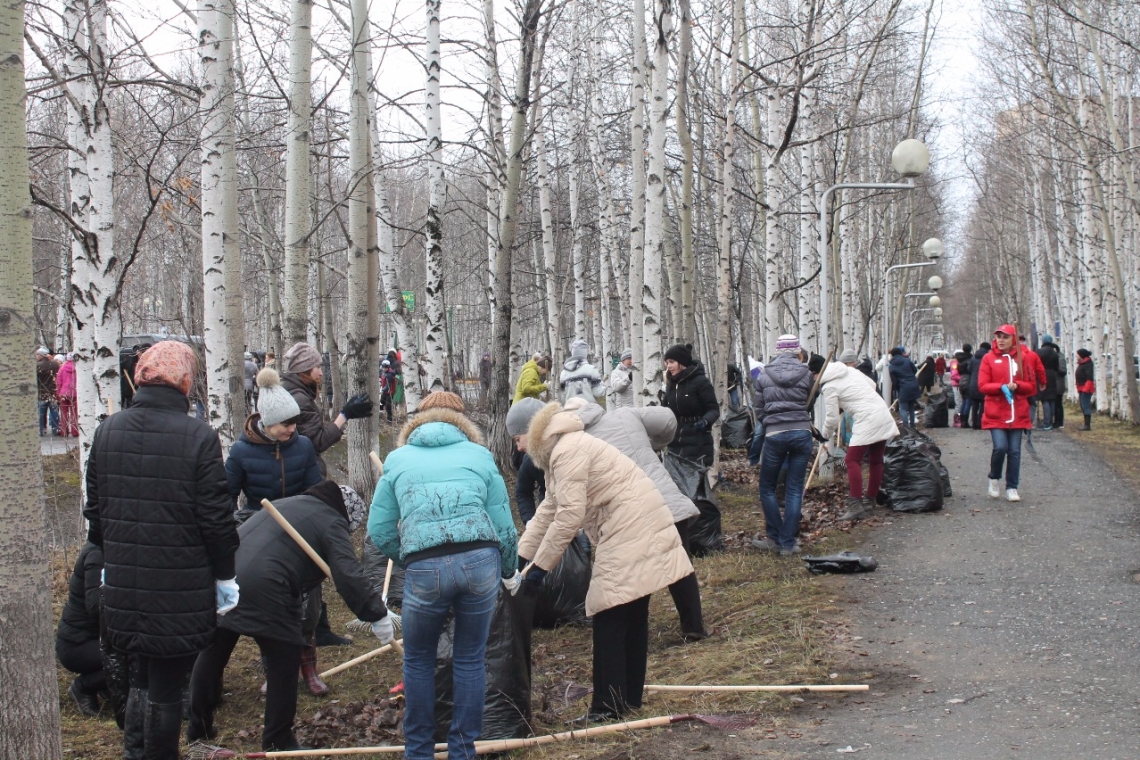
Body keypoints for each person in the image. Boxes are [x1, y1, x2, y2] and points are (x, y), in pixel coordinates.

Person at [83, 339, 240, 760]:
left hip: (122, 583)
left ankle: (138, 753)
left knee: (139, 680)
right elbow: (216, 519)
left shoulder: (107, 430)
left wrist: (106, 560)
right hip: (179, 586)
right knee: (167, 687)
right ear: (186, 381)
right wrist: (226, 575)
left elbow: (95, 513)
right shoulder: (198, 436)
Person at [515, 402, 692, 722]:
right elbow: (549, 510)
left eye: (518, 438)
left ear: (533, 435)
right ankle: (628, 699)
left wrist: (539, 569)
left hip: (630, 525)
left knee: (608, 609)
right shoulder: (562, 451)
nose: (517, 447)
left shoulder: (567, 452)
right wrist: (521, 558)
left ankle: (606, 708)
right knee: (632, 607)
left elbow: (568, 518)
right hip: (638, 520)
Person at [368, 391, 518, 760]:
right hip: (480, 561)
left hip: (426, 565)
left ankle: (417, 751)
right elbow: (504, 524)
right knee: (470, 658)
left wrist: (407, 559)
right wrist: (510, 571)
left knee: (417, 660)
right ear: (462, 424)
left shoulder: (398, 459)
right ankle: (462, 750)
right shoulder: (479, 455)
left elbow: (379, 528)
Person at [188, 481, 391, 751]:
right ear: (349, 513)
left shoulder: (289, 503)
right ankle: (278, 740)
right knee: (284, 659)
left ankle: (198, 726)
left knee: (215, 649)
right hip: (269, 584)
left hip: (228, 575)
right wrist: (376, 613)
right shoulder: (331, 520)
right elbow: (347, 573)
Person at [563, 398, 708, 642]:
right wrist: (656, 444)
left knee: (639, 571)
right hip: (668, 503)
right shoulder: (625, 415)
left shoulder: (579, 444)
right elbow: (667, 419)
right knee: (680, 567)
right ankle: (693, 626)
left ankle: (634, 631)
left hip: (632, 516)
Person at [225, 368, 322, 517]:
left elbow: (315, 491)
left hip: (297, 524)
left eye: (295, 422)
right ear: (268, 422)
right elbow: (226, 497)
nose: (292, 429)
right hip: (256, 526)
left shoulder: (304, 446)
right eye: (286, 425)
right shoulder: (240, 451)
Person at [751, 334, 814, 555]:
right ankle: (788, 543)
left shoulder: (763, 374)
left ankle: (775, 537)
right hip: (801, 432)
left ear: (777, 351)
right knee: (795, 489)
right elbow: (809, 402)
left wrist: (769, 423)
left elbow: (758, 408)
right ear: (797, 351)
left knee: (767, 487)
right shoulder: (806, 373)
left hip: (775, 434)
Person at [817, 360, 899, 522]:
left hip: (867, 418)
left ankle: (855, 505)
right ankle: (870, 501)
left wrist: (824, 435)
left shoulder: (829, 387)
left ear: (817, 375)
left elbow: (832, 419)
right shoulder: (850, 371)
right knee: (875, 461)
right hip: (881, 412)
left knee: (851, 460)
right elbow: (872, 384)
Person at [280, 341, 373, 475]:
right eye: (317, 367)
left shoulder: (293, 392)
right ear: (305, 369)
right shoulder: (300, 400)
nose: (321, 373)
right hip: (302, 473)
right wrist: (344, 415)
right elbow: (317, 442)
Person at [979, 326, 1036, 502]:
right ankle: (994, 477)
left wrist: (1018, 385)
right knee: (1000, 447)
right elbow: (982, 385)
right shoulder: (988, 358)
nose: (1001, 340)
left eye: (1005, 337)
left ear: (1013, 339)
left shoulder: (1023, 358)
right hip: (996, 412)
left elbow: (1032, 386)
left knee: (1015, 451)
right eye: (998, 337)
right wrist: (1000, 387)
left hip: (1017, 412)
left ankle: (1012, 487)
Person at [56, 541, 106, 717]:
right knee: (131, 654)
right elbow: (96, 607)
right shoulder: (97, 555)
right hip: (76, 644)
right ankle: (83, 687)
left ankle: (107, 687)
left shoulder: (114, 550)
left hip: (95, 639)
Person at [661, 343, 720, 466]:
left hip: (698, 442)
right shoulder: (671, 384)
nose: (668, 366)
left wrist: (704, 422)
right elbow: (666, 409)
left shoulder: (701, 382)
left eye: (672, 362)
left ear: (681, 363)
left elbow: (713, 409)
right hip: (675, 441)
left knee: (695, 483)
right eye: (667, 363)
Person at [506, 397, 548, 525]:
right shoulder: (530, 460)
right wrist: (530, 521)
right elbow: (523, 491)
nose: (518, 448)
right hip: (548, 508)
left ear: (533, 431)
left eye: (518, 439)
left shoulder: (569, 450)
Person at [559, 339, 606, 405]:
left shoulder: (563, 373)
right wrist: (605, 385)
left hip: (570, 410)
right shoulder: (591, 369)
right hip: (588, 410)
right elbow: (598, 393)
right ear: (585, 353)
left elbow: (563, 396)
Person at [888, 347, 920, 427]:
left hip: (903, 387)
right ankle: (912, 425)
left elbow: (894, 381)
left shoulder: (891, 366)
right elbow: (915, 370)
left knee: (902, 408)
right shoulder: (907, 360)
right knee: (911, 407)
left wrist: (897, 390)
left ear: (892, 355)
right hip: (913, 385)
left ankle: (906, 427)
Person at [1035, 334, 1061, 430]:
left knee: (1044, 399)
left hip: (1043, 375)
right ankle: (1050, 421)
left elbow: (1036, 365)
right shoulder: (1055, 353)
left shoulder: (1039, 352)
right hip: (1052, 376)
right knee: (1051, 399)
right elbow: (1057, 367)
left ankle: (1046, 423)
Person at [967, 343, 990, 429]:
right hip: (983, 383)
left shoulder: (973, 358)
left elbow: (969, 370)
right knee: (983, 405)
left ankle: (974, 424)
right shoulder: (988, 357)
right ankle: (980, 423)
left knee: (975, 405)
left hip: (973, 383)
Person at [37, 346, 59, 435]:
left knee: (41, 413)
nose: (36, 356)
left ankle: (41, 429)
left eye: (38, 354)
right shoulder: (54, 364)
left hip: (41, 391)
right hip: (52, 391)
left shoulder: (37, 365)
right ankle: (55, 428)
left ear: (42, 355)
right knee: (54, 411)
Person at [57, 352, 78, 437]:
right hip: (75, 393)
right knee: (74, 413)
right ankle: (75, 431)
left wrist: (58, 393)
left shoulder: (62, 368)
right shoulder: (78, 368)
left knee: (64, 413)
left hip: (64, 392)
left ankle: (64, 431)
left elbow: (59, 381)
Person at [1075, 348, 1095, 430]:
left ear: (1081, 355)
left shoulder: (1087, 364)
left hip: (1086, 388)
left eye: (1077, 354)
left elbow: (1089, 378)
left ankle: (1087, 425)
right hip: (1082, 387)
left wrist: (1086, 389)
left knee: (1085, 405)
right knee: (1083, 406)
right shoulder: (1082, 364)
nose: (1076, 356)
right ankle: (1086, 424)